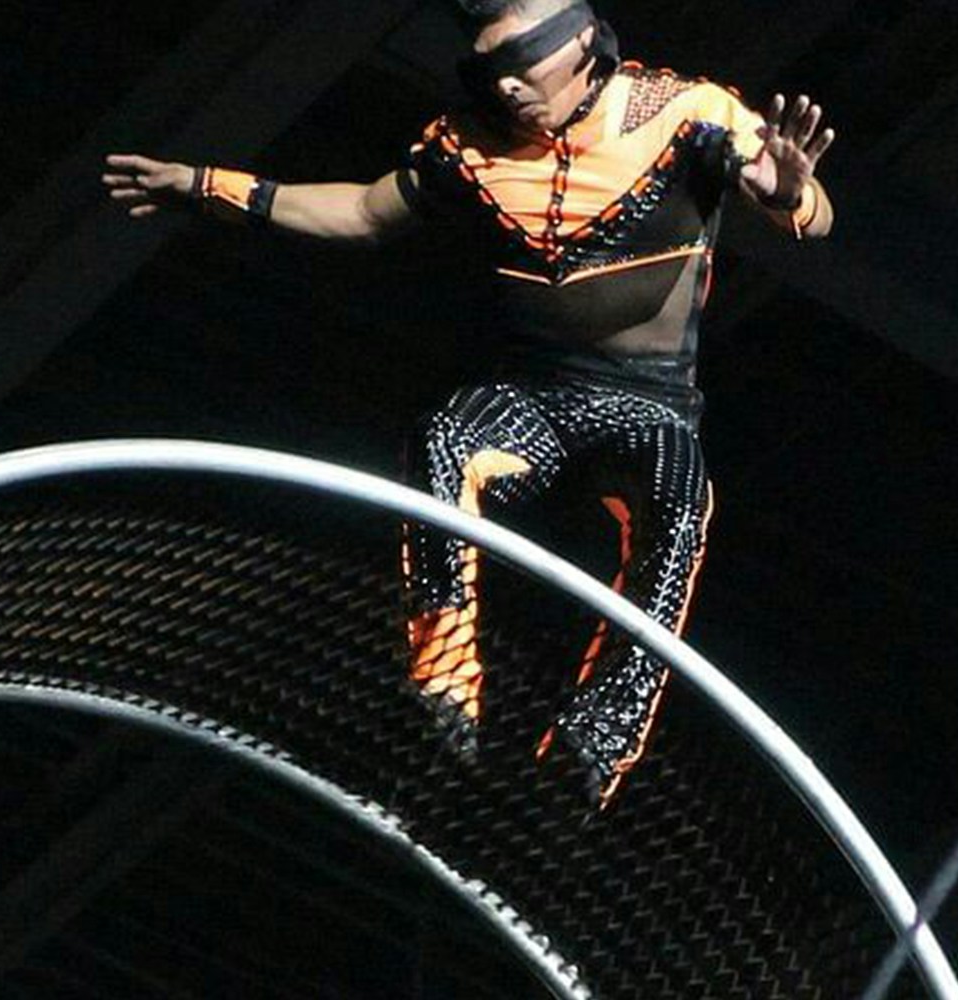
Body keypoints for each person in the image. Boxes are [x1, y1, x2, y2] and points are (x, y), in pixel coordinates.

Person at [102, 0, 834, 808]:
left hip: (647, 405)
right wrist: (209, 188)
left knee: (678, 503)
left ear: (585, 46)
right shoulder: (467, 145)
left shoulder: (686, 115)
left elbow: (810, 212)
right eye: (494, 70)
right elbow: (362, 212)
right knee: (448, 439)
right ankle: (444, 679)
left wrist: (788, 193)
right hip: (533, 392)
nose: (513, 87)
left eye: (527, 62)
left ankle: (597, 741)